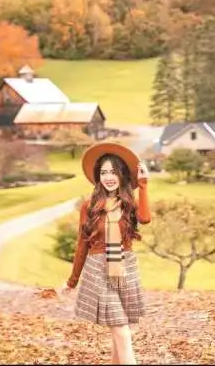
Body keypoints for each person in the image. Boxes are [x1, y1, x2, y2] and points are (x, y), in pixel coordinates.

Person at [62, 142, 151, 365]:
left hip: (125, 266)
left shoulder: (129, 203)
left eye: (113, 172)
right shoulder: (89, 205)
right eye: (103, 172)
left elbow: (146, 219)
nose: (108, 177)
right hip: (98, 269)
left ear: (122, 175)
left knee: (120, 329)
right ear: (97, 175)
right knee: (121, 328)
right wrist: (72, 281)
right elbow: (82, 244)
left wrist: (144, 186)